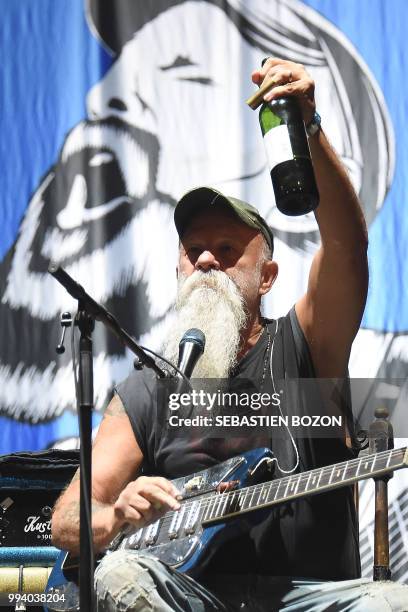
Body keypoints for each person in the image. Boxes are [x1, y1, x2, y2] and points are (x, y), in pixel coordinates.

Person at [51, 59, 408, 611]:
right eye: (194, 251)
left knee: (389, 604)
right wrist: (116, 516)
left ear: (267, 276)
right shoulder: (148, 389)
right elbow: (67, 519)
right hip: (188, 596)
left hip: (305, 597)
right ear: (178, 269)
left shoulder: (303, 347)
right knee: (120, 572)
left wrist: (305, 128)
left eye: (228, 248)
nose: (208, 261)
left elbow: (345, 248)